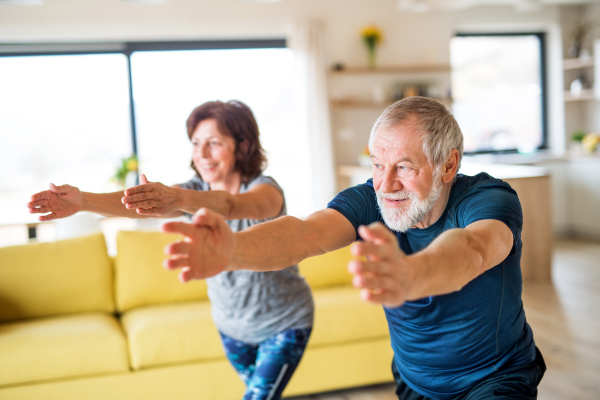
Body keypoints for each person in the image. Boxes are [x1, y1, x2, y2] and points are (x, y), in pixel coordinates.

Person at [162, 96, 546, 400]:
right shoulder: (370, 199)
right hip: (414, 381)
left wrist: (412, 275)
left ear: (448, 166)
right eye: (378, 164)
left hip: (496, 378)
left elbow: (475, 248)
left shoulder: (488, 198)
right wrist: (232, 250)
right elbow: (305, 234)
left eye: (405, 167)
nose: (385, 184)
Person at [27, 100, 314, 400]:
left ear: (242, 147)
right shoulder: (194, 191)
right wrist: (83, 201)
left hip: (285, 323)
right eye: (196, 143)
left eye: (214, 143)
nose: (201, 154)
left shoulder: (266, 190)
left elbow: (231, 205)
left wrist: (176, 198)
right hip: (231, 328)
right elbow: (141, 206)